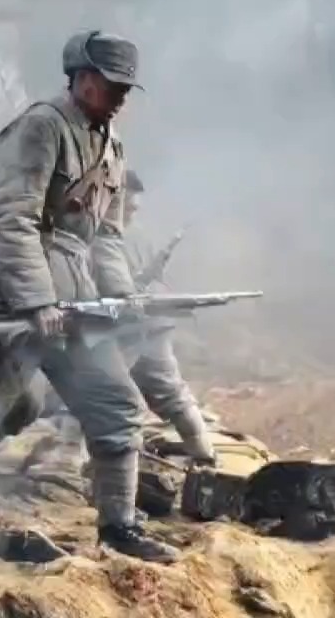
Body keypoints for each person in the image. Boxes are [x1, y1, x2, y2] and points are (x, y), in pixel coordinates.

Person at [0, 30, 178, 585]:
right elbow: (10, 220)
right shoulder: (40, 127)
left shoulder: (111, 145)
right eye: (112, 85)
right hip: (10, 296)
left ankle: (119, 527)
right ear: (82, 80)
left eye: (127, 88)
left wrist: (123, 298)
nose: (122, 97)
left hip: (75, 299)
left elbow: (105, 235)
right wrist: (36, 300)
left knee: (117, 404)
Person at [116, 170, 215, 464]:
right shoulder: (103, 237)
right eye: (129, 207)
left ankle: (207, 460)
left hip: (138, 330)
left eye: (134, 207)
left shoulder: (127, 237)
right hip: (121, 329)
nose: (133, 212)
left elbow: (150, 284)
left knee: (166, 395)